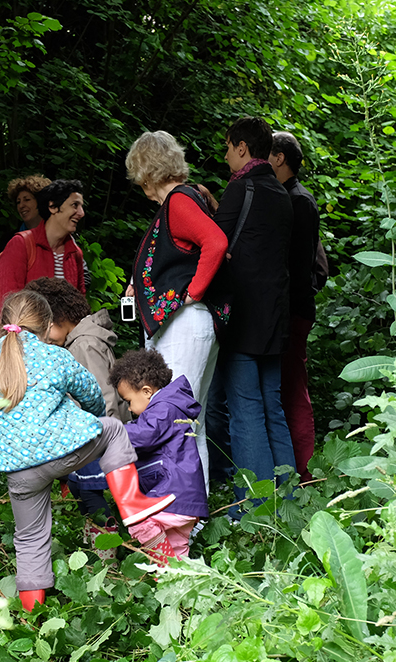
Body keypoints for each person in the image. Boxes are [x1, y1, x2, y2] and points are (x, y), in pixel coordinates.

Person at [0, 290, 175, 611]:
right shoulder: (56, 355)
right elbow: (95, 399)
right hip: (64, 453)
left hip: (18, 468)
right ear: (46, 326)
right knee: (112, 430)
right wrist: (89, 421)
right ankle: (132, 503)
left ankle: (33, 616)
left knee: (29, 539)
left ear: (3, 324)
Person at [124, 131, 228, 494]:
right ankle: (188, 511)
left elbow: (215, 243)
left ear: (148, 172)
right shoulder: (185, 200)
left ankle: (177, 512)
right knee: (184, 420)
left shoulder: (179, 201)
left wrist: (192, 292)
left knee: (172, 417)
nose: (142, 187)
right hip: (188, 324)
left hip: (187, 324)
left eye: (141, 179)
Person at [212, 116, 295, 515]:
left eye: (228, 147)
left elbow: (216, 244)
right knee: (271, 406)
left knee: (244, 409)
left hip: (242, 318)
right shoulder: (280, 192)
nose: (226, 155)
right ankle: (290, 500)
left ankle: (255, 506)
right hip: (275, 318)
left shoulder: (239, 189)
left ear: (243, 147)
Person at [25, 277, 130, 557]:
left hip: (100, 436)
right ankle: (105, 535)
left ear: (59, 318)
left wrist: (104, 440)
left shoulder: (83, 345)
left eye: (44, 327)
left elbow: (105, 397)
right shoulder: (77, 342)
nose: (42, 337)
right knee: (80, 485)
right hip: (91, 434)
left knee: (89, 487)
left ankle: (110, 544)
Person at [110, 349, 209, 561]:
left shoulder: (164, 408)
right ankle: (177, 581)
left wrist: (112, 432)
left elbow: (145, 435)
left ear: (146, 391)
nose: (129, 408)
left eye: (128, 401)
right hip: (185, 498)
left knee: (137, 519)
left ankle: (162, 565)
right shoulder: (168, 407)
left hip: (172, 495)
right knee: (177, 552)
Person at [269, 132, 320, 483]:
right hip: (288, 309)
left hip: (292, 311)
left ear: (280, 158)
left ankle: (305, 469)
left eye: (266, 154)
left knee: (293, 388)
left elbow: (297, 266)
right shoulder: (288, 198)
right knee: (286, 386)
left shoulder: (298, 202)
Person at [0, 179, 87, 341]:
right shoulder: (20, 244)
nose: (81, 213)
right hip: (16, 347)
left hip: (57, 350)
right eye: (75, 205)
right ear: (53, 207)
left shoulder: (76, 254)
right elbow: (10, 307)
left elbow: (79, 310)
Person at [0, 175, 52, 258]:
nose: (21, 206)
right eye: (18, 202)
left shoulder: (59, 237)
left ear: (41, 202)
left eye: (27, 200)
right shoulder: (6, 241)